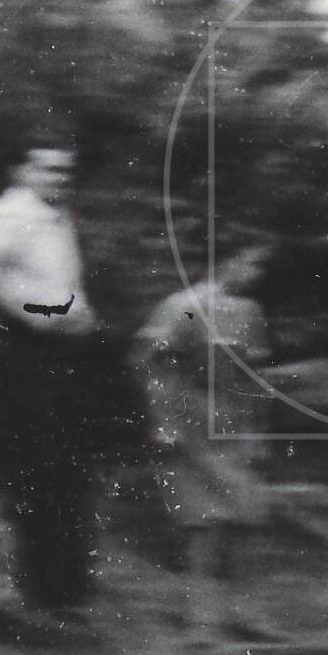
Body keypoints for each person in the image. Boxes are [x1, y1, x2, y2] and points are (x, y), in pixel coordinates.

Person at [0, 146, 106, 621]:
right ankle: (44, 593)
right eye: (48, 168)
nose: (59, 177)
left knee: (70, 471)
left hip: (66, 355)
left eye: (65, 170)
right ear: (21, 170)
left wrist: (79, 316)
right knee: (40, 468)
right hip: (27, 352)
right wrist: (29, 316)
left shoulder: (57, 219)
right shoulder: (7, 214)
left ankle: (67, 592)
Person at [132, 247, 274, 584]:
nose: (257, 274)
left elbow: (255, 376)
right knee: (202, 516)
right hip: (190, 413)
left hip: (234, 417)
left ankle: (240, 601)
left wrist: (259, 430)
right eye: (251, 264)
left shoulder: (248, 311)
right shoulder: (184, 305)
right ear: (226, 261)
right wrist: (164, 421)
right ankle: (202, 603)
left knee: (245, 511)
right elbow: (150, 363)